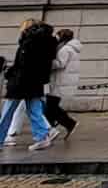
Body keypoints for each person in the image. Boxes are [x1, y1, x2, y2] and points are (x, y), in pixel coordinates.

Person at [0, 18, 58, 151]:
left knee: (8, 112)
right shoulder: (47, 42)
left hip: (21, 83)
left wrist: (11, 74)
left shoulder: (29, 43)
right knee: (34, 111)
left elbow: (22, 65)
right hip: (35, 83)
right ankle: (42, 137)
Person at [45, 26, 80, 141]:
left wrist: (47, 62)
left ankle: (69, 124)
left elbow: (60, 63)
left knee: (51, 107)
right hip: (62, 81)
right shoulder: (71, 48)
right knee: (51, 107)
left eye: (58, 36)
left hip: (59, 82)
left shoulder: (65, 49)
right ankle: (50, 130)